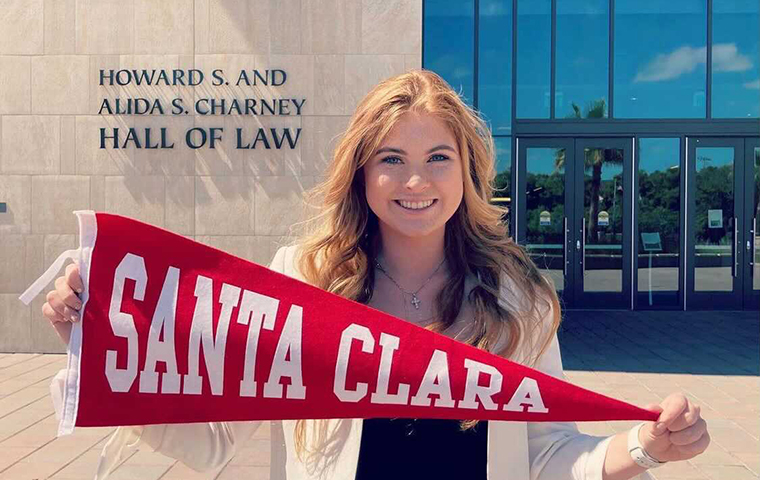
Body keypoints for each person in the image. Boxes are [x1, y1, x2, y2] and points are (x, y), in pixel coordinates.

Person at [41, 69, 709, 480]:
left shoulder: (517, 299)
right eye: (391, 157)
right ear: (361, 173)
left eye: (438, 157)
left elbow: (547, 453)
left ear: (468, 172)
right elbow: (214, 440)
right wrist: (99, 345)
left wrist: (644, 447)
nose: (415, 180)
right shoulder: (299, 281)